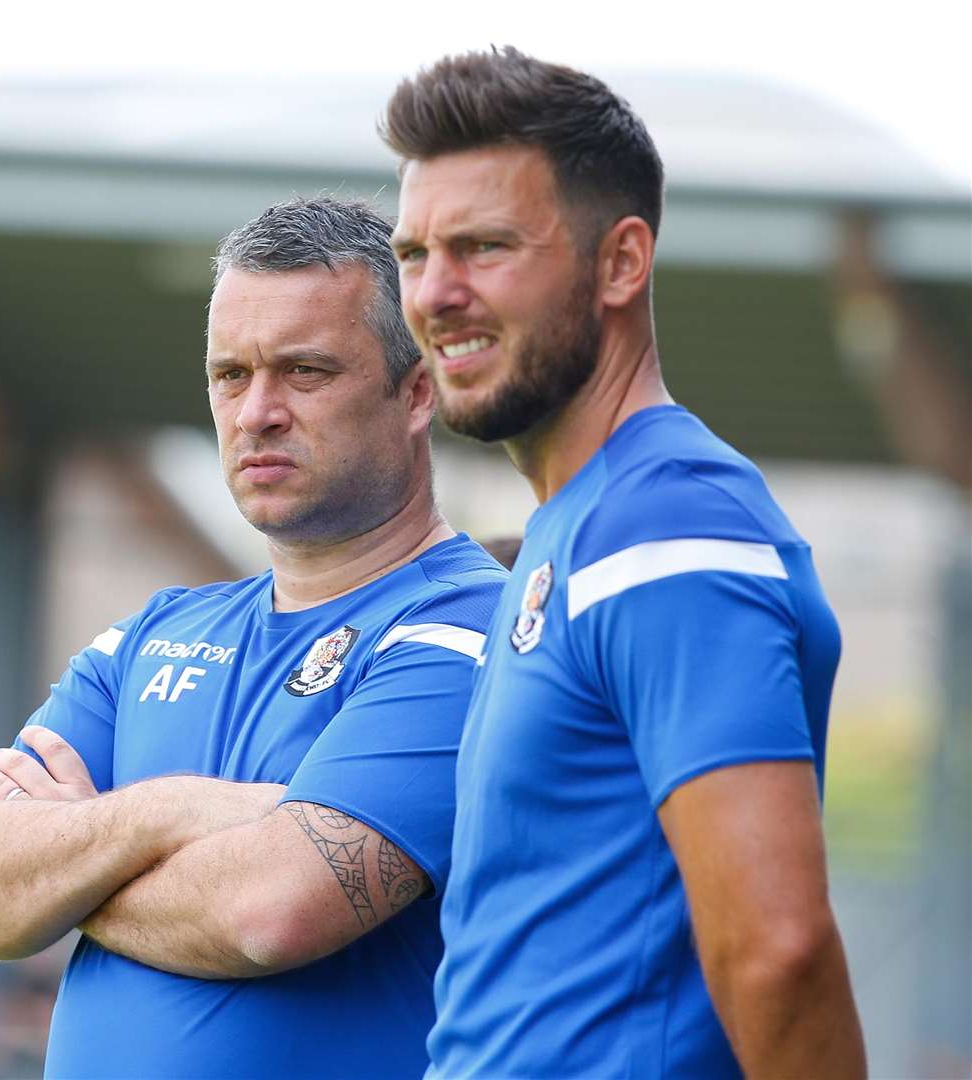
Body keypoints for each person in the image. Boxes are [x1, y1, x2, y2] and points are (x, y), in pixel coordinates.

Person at [0, 196, 508, 1078]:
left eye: (304, 372)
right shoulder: (153, 635)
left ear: (416, 391)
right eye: (231, 375)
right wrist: (169, 811)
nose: (256, 411)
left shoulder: (473, 628)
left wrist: (68, 861)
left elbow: (271, 913)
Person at [382, 48, 866, 1078]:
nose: (436, 293)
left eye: (484, 247)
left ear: (620, 262)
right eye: (415, 253)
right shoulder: (583, 524)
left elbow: (778, 950)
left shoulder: (667, 525)